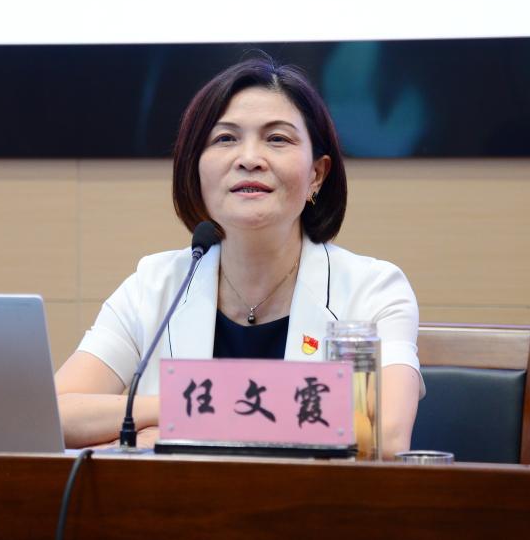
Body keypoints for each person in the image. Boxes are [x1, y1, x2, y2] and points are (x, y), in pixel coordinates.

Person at [55, 55, 423, 457]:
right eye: (225, 139)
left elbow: (386, 436)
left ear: (316, 174)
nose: (249, 158)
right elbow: (54, 412)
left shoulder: (374, 290)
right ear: (196, 170)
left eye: (277, 139)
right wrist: (171, 407)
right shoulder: (155, 284)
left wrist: (185, 421)